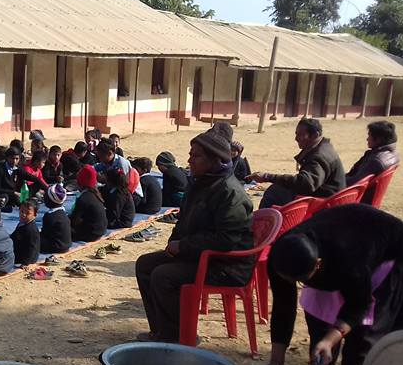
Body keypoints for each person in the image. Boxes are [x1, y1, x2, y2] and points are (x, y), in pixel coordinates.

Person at [255, 204, 403, 365]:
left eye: (302, 280)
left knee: (362, 339)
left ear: (318, 264)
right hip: (340, 254)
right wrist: (276, 362)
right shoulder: (281, 255)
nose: (296, 284)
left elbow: (359, 304)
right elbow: (284, 307)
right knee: (318, 317)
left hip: (389, 252)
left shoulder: (349, 257)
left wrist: (330, 339)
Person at [135, 131, 254, 342]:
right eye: (190, 154)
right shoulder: (199, 183)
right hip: (198, 254)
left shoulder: (229, 192)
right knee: (145, 265)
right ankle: (161, 330)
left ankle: (179, 336)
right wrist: (173, 243)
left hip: (225, 264)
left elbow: (227, 240)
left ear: (215, 160)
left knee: (163, 276)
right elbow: (183, 220)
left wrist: (183, 246)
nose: (190, 160)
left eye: (196, 156)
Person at [251, 118, 346, 208]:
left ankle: (264, 219)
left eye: (300, 135)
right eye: (296, 134)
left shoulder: (319, 156)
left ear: (315, 135)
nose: (296, 138)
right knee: (278, 189)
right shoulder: (324, 147)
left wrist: (267, 177)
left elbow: (306, 184)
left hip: (325, 203)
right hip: (327, 197)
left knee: (274, 192)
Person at [345, 120, 399, 192]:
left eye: (369, 135)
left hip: (356, 195)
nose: (367, 139)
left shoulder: (375, 161)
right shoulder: (393, 155)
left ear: (379, 139)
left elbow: (355, 182)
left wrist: (336, 180)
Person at [70, 166, 107, 242]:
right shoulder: (95, 194)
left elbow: (74, 221)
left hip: (90, 234)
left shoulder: (83, 198)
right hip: (100, 230)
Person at [41, 183, 72, 254]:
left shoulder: (49, 216)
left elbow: (45, 234)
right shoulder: (63, 212)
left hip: (56, 247)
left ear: (49, 200)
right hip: (66, 245)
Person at [11, 199, 40, 266]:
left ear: (35, 215)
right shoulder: (22, 223)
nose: (23, 215)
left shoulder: (31, 229)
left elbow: (32, 248)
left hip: (25, 258)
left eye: (27, 213)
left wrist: (25, 263)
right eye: (22, 211)